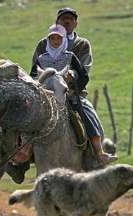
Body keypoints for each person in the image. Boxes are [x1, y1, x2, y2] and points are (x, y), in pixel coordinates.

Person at [32, 23, 117, 164]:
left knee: (87, 115)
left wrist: (73, 83)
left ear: (63, 40)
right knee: (27, 118)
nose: (55, 41)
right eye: (52, 38)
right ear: (48, 40)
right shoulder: (41, 59)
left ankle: (99, 152)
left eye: (58, 38)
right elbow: (33, 76)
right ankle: (20, 156)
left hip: (68, 96)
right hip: (44, 98)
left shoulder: (70, 56)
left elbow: (84, 76)